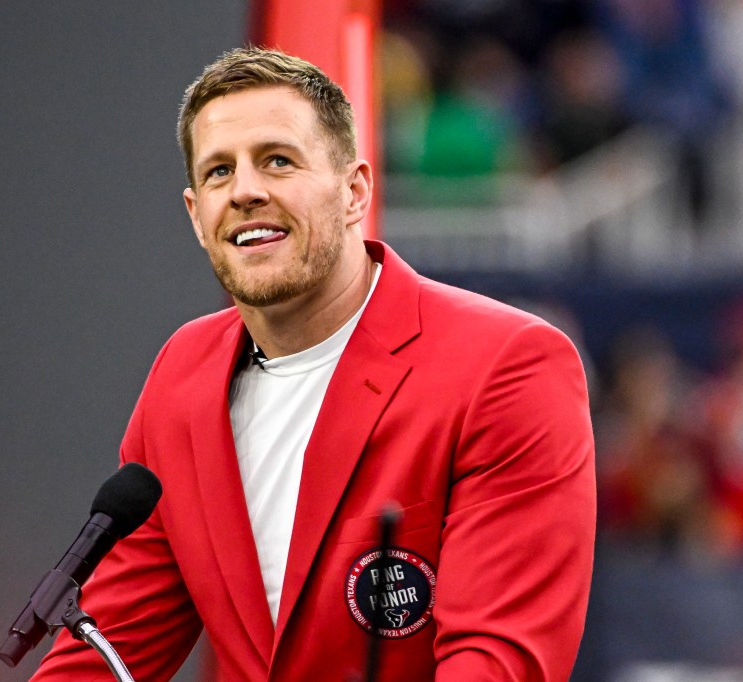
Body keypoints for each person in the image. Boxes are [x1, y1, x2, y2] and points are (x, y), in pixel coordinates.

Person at [31, 47, 595, 681]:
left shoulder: (508, 365)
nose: (245, 190)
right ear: (196, 217)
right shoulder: (181, 373)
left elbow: (496, 663)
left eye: (277, 160)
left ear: (355, 192)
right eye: (219, 172)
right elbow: (106, 652)